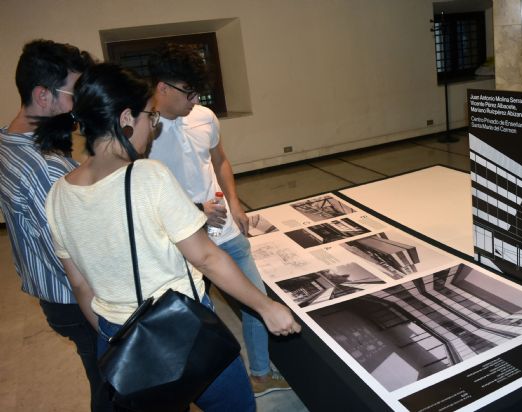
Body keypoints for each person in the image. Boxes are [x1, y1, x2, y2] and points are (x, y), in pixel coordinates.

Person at [39, 62, 301, 411]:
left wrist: (117, 335)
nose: (154, 127)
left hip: (114, 338)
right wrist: (266, 306)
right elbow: (206, 257)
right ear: (127, 118)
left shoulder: (58, 194)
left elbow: (82, 286)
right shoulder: (148, 176)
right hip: (183, 333)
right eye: (151, 117)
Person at [147, 44, 289, 396]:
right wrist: (195, 212)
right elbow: (144, 197)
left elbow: (220, 160)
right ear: (163, 87)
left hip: (225, 231)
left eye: (199, 92)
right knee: (192, 318)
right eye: (189, 92)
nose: (195, 100)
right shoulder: (141, 131)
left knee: (257, 299)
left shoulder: (205, 117)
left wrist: (236, 205)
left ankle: (260, 373)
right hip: (181, 243)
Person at [0, 39, 111, 411]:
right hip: (76, 300)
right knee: (113, 385)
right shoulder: (47, 167)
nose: (78, 105)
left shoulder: (8, 140)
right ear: (43, 96)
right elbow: (80, 256)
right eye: (73, 94)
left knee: (102, 376)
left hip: (49, 291)